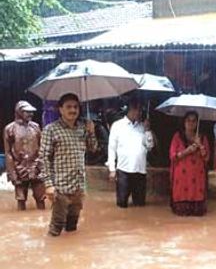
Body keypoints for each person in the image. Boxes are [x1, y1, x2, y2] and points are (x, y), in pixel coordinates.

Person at [38, 93, 98, 236]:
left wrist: (91, 132)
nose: (73, 110)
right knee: (55, 229)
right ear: (60, 109)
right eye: (69, 107)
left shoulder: (83, 128)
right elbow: (43, 158)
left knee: (72, 227)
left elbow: (93, 148)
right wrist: (48, 185)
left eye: (76, 107)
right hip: (61, 188)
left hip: (79, 187)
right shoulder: (51, 129)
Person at [107, 98, 155, 208]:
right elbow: (111, 148)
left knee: (139, 204)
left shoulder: (143, 127)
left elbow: (150, 147)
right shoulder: (117, 126)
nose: (138, 112)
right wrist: (112, 169)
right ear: (129, 110)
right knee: (121, 204)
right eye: (135, 109)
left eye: (140, 110)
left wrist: (148, 130)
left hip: (140, 171)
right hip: (123, 170)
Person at [3, 101, 46, 211]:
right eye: (27, 112)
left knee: (41, 198)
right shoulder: (10, 129)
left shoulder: (36, 127)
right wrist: (12, 173)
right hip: (19, 168)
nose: (30, 114)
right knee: (21, 199)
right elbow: (8, 153)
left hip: (36, 167)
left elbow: (42, 148)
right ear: (19, 112)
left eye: (31, 112)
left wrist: (41, 167)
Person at [169, 111, 210, 216]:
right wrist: (187, 151)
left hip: (197, 179)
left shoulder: (202, 137)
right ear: (184, 122)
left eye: (194, 121)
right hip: (182, 179)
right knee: (181, 214)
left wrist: (200, 145)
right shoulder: (177, 137)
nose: (191, 123)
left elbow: (206, 157)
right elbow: (173, 156)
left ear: (197, 123)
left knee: (197, 214)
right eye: (188, 120)